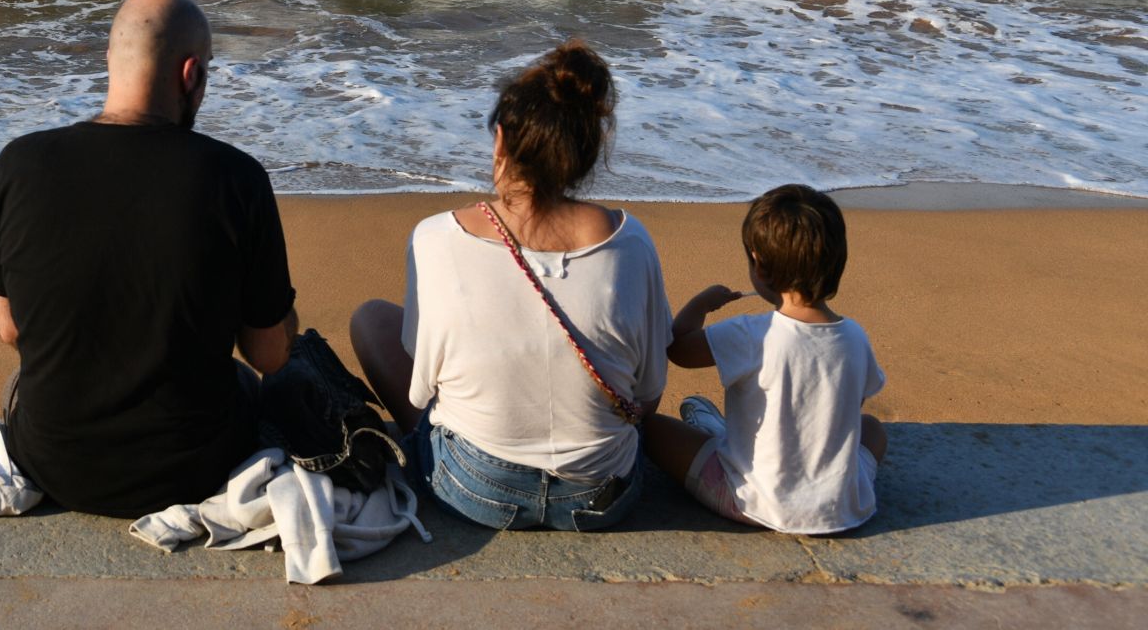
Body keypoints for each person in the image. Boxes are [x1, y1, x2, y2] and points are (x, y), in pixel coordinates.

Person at [0, 0, 299, 517]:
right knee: (244, 381)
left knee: (25, 381)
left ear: (110, 60)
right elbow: (269, 355)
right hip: (196, 469)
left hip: (55, 464)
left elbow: (11, 330)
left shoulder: (20, 164)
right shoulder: (235, 177)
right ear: (191, 74)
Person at [350, 40, 671, 531]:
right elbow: (646, 396)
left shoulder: (436, 237)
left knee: (371, 319)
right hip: (601, 496)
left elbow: (420, 393)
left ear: (500, 139)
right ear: (585, 154)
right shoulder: (631, 243)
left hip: (475, 489)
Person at [642, 184, 887, 534]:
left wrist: (702, 303)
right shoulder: (855, 336)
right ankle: (719, 431)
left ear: (759, 265)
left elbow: (678, 348)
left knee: (651, 429)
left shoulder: (753, 332)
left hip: (754, 500)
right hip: (841, 509)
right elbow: (852, 404)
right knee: (874, 429)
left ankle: (717, 433)